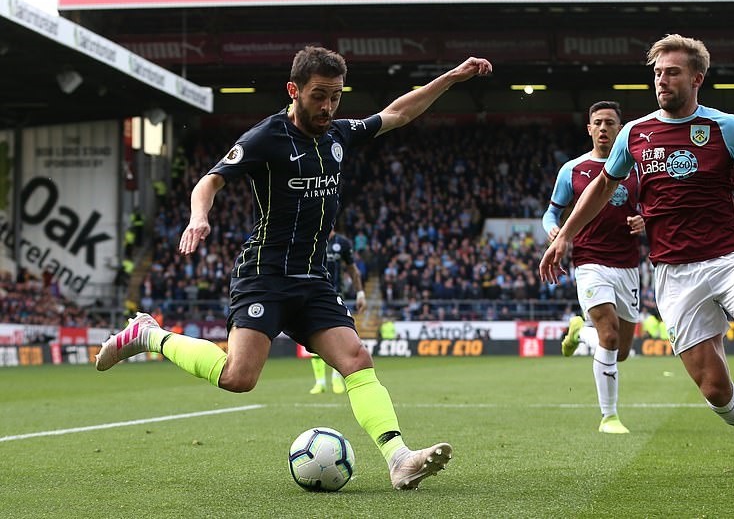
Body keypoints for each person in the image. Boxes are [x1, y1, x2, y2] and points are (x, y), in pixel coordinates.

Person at [95, 45, 493, 490]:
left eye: (336, 97)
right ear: (294, 90)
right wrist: (199, 216)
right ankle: (149, 334)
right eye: (319, 95)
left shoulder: (339, 135)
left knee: (357, 359)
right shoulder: (266, 137)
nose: (328, 106)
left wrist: (452, 77)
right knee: (238, 378)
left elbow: (397, 113)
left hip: (314, 278)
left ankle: (398, 458)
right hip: (265, 274)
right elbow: (210, 180)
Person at [540, 33, 734, 470]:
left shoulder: (727, 128)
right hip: (673, 274)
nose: (662, 81)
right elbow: (603, 186)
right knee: (714, 390)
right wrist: (566, 234)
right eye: (657, 74)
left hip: (727, 259)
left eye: (672, 73)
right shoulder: (636, 133)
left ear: (697, 78)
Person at [542, 100, 645, 434]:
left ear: (620, 128)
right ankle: (609, 416)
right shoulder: (573, 169)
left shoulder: (637, 170)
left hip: (628, 264)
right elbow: (551, 212)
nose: (603, 128)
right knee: (610, 335)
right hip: (589, 260)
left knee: (622, 350)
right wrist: (554, 230)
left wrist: (646, 220)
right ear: (589, 129)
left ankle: (579, 332)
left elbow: (655, 209)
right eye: (597, 122)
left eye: (610, 123)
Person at [310, 227, 366, 395]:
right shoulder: (311, 238)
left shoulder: (342, 243)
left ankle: (336, 378)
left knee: (338, 340)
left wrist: (360, 292)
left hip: (335, 295)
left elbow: (352, 268)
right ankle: (319, 382)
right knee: (313, 340)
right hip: (312, 295)